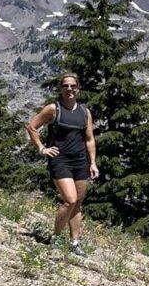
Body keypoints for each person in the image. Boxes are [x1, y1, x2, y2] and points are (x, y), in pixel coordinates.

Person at [26, 72, 98, 255]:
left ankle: (74, 243)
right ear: (60, 89)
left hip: (80, 161)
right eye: (65, 86)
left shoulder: (84, 112)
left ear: (78, 89)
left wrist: (93, 163)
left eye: (73, 86)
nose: (69, 89)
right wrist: (42, 148)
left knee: (78, 202)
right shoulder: (53, 109)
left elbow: (89, 139)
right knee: (70, 200)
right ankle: (56, 238)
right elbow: (32, 127)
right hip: (60, 160)